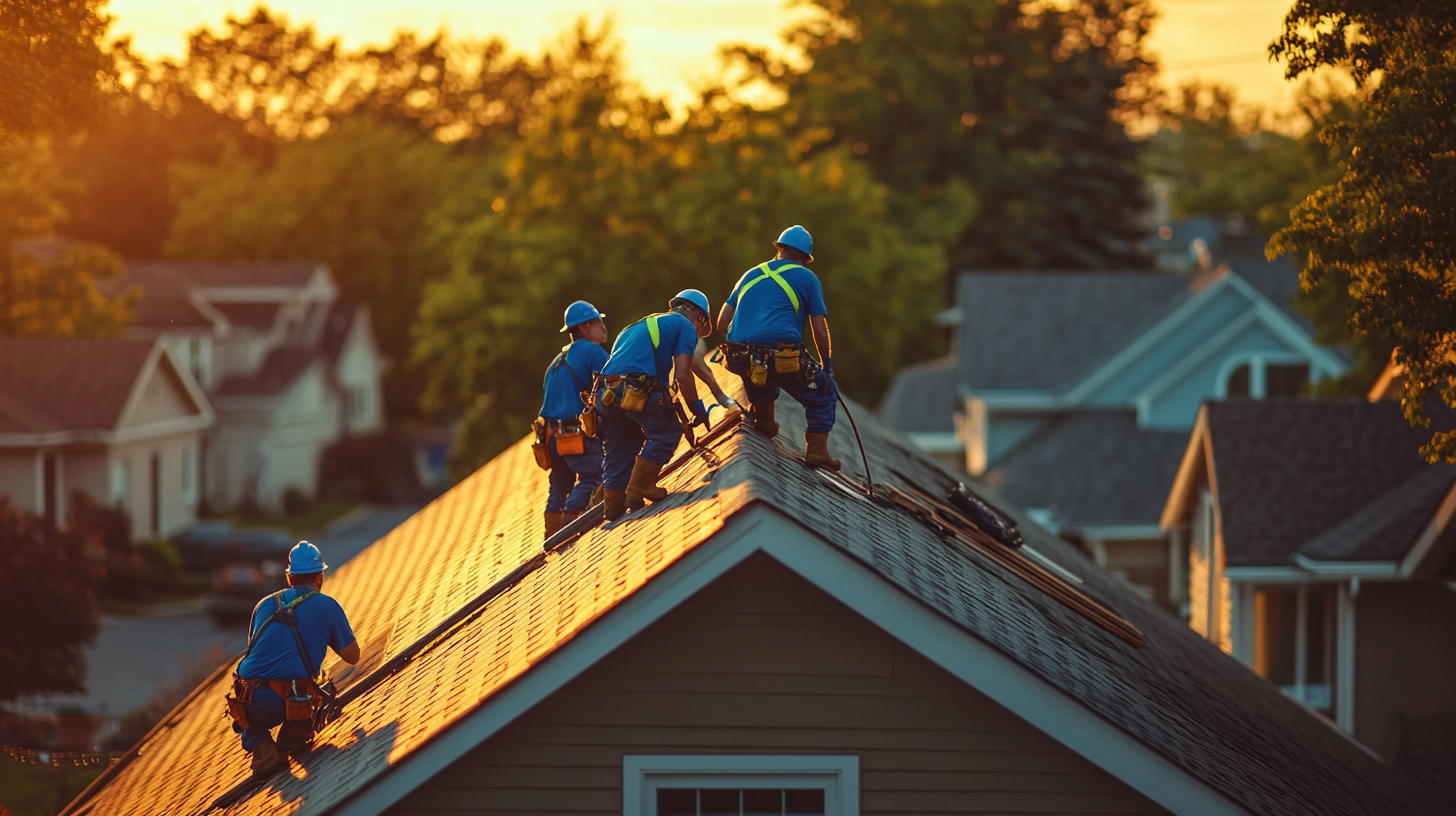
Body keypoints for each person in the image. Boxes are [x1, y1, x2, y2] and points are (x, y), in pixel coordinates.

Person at [226, 541, 358, 780]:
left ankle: (262, 748)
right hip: (286, 700)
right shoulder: (326, 605)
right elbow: (353, 656)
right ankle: (292, 736)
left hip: (247, 700)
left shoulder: (264, 605)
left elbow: (258, 654)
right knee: (312, 688)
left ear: (289, 578)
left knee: (253, 703)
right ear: (319, 576)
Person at [716, 224, 840, 470]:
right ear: (805, 257)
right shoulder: (807, 277)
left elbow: (721, 323)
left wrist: (751, 342)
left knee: (760, 371)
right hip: (782, 355)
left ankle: (765, 422)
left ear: (779, 249)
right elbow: (819, 329)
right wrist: (826, 368)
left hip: (742, 356)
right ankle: (816, 451)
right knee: (824, 393)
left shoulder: (750, 274)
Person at [596, 289, 715, 521]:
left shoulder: (632, 327)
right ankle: (640, 488)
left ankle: (613, 505)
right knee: (667, 430)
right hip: (633, 389)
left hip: (604, 393)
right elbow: (683, 374)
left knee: (622, 443)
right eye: (702, 328)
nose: (698, 334)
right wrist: (696, 407)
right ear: (699, 317)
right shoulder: (684, 326)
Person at [539, 300, 610, 537]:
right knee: (593, 475)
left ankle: (551, 532)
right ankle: (569, 528)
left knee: (560, 482)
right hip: (575, 434)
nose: (603, 327)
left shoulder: (555, 363)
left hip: (550, 437)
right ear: (584, 327)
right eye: (598, 322)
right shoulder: (592, 352)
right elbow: (612, 386)